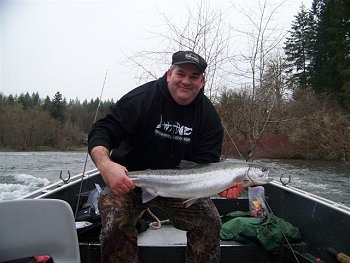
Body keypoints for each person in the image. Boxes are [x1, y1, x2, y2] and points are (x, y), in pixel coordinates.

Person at [88, 50, 243, 263]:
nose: (186, 81)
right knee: (115, 223)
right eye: (181, 73)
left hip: (181, 187)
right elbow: (102, 131)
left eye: (194, 76)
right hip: (129, 182)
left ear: (202, 81)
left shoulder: (208, 118)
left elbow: (205, 165)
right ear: (169, 73)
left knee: (209, 221)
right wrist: (106, 166)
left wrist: (221, 186)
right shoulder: (142, 98)